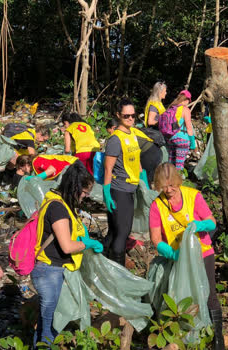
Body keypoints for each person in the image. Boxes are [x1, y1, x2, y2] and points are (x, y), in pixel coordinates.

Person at [149, 163, 224, 350]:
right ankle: (184, 338)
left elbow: (211, 222)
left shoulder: (193, 196)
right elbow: (155, 238)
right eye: (164, 187)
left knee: (208, 295)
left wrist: (199, 226)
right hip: (177, 258)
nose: (169, 190)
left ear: (178, 181)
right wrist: (171, 253)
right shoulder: (157, 205)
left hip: (203, 254)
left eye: (172, 185)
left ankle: (218, 340)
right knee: (179, 296)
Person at [32, 161, 102, 346]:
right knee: (49, 326)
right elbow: (67, 246)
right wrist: (86, 243)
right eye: (85, 193)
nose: (85, 197)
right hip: (49, 271)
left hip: (52, 270)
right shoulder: (58, 209)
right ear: (75, 187)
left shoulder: (60, 202)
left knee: (45, 323)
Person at [103, 99, 144, 265]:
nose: (130, 119)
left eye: (133, 116)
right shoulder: (115, 139)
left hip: (131, 187)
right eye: (126, 116)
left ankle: (104, 260)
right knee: (122, 232)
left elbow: (137, 161)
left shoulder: (133, 134)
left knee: (114, 231)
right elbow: (108, 169)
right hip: (119, 190)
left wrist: (144, 182)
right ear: (118, 115)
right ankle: (118, 271)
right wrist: (106, 193)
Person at [164, 90, 195, 171]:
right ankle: (178, 181)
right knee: (179, 166)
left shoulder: (171, 108)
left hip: (171, 139)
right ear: (186, 100)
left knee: (171, 164)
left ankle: (169, 182)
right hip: (182, 140)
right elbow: (189, 128)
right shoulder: (185, 110)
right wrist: (193, 144)